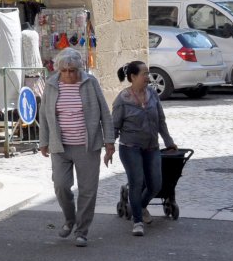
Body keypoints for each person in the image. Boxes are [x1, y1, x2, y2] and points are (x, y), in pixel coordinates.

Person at [38, 49, 112, 247]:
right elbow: (44, 115)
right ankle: (70, 219)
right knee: (61, 186)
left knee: (88, 189)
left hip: (87, 146)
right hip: (60, 146)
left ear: (79, 69)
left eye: (73, 70)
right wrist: (43, 142)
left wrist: (109, 142)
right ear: (59, 70)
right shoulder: (52, 84)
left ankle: (82, 231)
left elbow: (105, 112)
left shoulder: (90, 82)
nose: (69, 74)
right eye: (65, 71)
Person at [111, 61, 177, 237]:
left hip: (152, 147)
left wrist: (168, 141)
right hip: (130, 147)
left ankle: (139, 206)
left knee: (156, 184)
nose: (148, 77)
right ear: (133, 77)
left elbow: (161, 121)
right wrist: (109, 147)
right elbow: (114, 127)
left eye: (148, 74)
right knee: (136, 182)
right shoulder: (122, 100)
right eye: (145, 74)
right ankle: (137, 221)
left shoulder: (153, 95)